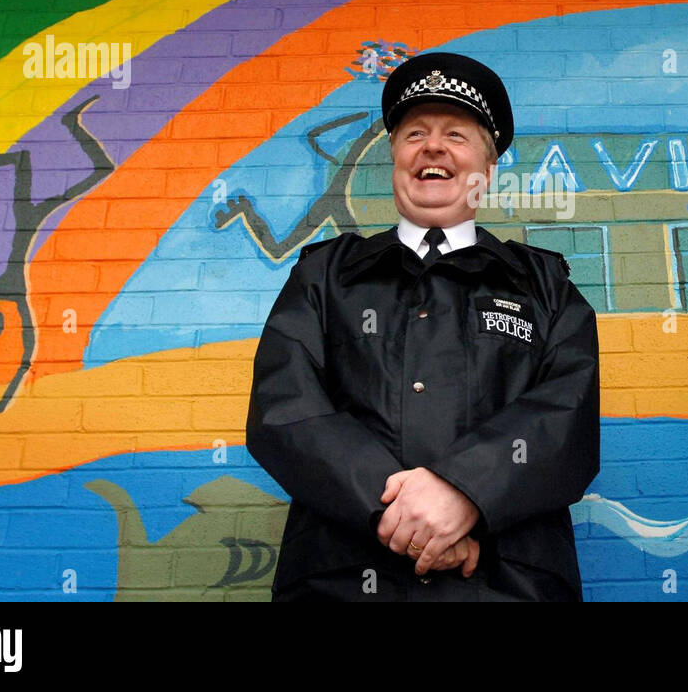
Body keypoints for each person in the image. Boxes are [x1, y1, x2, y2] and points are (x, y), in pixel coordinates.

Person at [247, 52, 600, 601]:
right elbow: (285, 408)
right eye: (415, 133)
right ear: (394, 158)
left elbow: (565, 416)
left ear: (489, 168)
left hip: (506, 582)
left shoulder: (545, 286)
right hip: (341, 581)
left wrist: (465, 494)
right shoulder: (324, 276)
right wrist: (406, 516)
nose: (433, 147)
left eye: (456, 134)